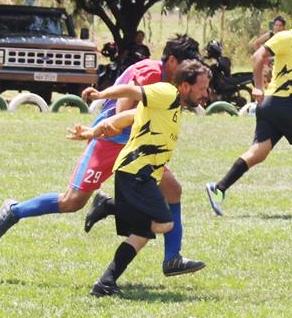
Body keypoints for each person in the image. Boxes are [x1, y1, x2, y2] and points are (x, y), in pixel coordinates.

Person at [0, 35, 206, 277]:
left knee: (173, 190)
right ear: (173, 61)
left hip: (137, 148)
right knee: (72, 202)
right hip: (111, 141)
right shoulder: (152, 71)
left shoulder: (170, 84)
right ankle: (15, 210)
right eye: (187, 64)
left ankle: (172, 257)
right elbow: (125, 110)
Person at [71, 60, 211, 296]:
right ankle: (108, 206)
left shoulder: (170, 105)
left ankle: (105, 283)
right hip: (136, 171)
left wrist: (92, 132)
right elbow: (130, 90)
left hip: (140, 173)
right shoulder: (166, 92)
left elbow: (127, 117)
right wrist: (99, 94)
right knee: (164, 223)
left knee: (144, 232)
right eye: (202, 88)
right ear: (186, 86)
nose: (205, 94)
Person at [204, 2, 292, 215]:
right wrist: (258, 87)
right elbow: (258, 56)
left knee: (258, 153)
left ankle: (218, 188)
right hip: (283, 101)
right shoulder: (286, 37)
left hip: (274, 105)